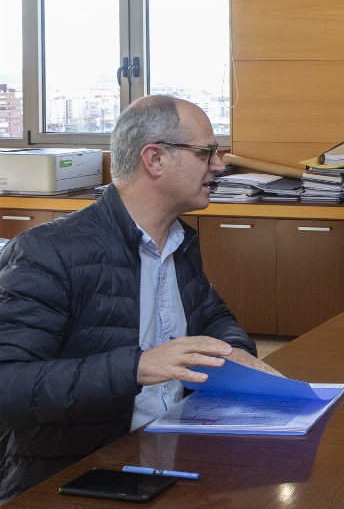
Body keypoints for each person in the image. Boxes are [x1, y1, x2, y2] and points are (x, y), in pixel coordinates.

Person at [0, 95, 280, 502]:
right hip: (74, 478)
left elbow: (214, 317)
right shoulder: (48, 252)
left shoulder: (180, 241)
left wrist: (232, 351)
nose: (220, 165)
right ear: (155, 160)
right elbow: (8, 384)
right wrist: (136, 367)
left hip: (168, 459)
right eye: (206, 153)